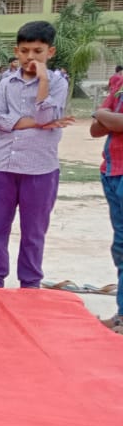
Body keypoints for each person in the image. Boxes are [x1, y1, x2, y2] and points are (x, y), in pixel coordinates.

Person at [0, 20, 73, 289]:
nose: (30, 57)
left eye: (37, 51)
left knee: (34, 231)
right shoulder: (5, 83)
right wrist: (37, 122)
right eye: (24, 51)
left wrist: (43, 80)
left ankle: (30, 282)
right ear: (16, 51)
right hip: (1, 165)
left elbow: (46, 115)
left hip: (40, 168)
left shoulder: (57, 83)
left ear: (50, 52)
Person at [90, 78, 123, 330]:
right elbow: (95, 130)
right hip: (112, 171)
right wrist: (106, 117)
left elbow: (115, 122)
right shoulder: (120, 84)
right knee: (120, 245)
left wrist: (102, 113)